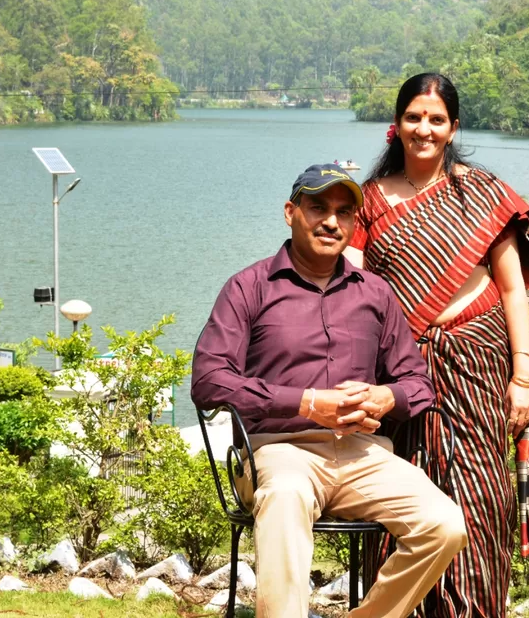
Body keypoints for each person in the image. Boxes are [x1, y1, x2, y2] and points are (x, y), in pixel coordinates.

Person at [345, 73, 529, 618]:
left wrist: (524, 378)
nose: (425, 129)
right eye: (414, 117)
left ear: (453, 127)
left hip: (481, 364)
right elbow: (352, 293)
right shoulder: (368, 203)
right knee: (402, 493)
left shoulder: (483, 193)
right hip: (403, 372)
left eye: (436, 119)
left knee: (482, 498)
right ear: (397, 126)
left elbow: (512, 288)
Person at [192, 163, 467, 618]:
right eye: (317, 207)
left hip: (363, 454)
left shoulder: (375, 295)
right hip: (277, 451)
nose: (331, 221)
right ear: (290, 212)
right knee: (285, 496)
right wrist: (305, 402)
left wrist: (386, 398)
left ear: (354, 223)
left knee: (444, 525)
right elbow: (208, 380)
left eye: (344, 212)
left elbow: (418, 384)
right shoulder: (249, 288)